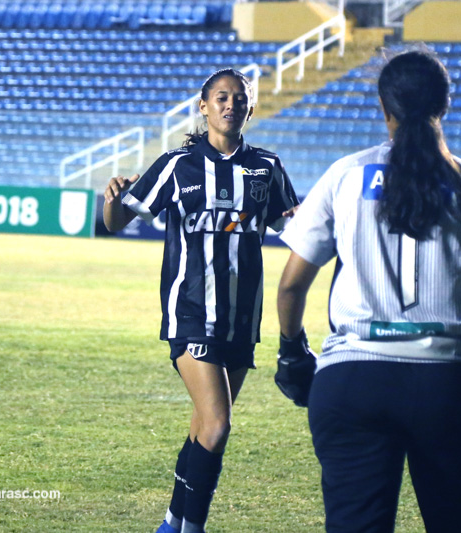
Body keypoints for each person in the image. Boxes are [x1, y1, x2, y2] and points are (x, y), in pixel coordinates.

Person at [275, 50, 461, 532]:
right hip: (448, 385)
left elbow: (292, 285)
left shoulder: (344, 175)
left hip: (352, 381)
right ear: (443, 107)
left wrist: (292, 353)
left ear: (384, 109)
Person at [103, 68, 299, 533]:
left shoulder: (267, 167)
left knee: (202, 426)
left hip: (241, 320)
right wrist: (111, 198)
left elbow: (292, 229)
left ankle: (173, 520)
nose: (230, 105)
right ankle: (192, 528)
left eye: (239, 98)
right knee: (217, 425)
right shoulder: (178, 164)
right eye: (221, 98)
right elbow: (116, 220)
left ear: (251, 108)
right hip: (191, 313)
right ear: (204, 106)